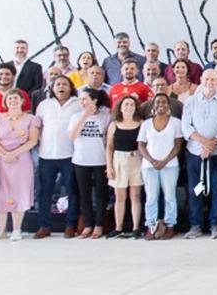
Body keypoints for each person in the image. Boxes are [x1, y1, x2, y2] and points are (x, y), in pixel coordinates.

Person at [181, 70, 217, 239]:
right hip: (195, 153)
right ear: (201, 80)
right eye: (207, 79)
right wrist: (203, 143)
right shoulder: (191, 101)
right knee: (195, 190)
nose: (210, 82)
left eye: (213, 79)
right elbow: (186, 127)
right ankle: (196, 225)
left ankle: (215, 224)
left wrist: (211, 145)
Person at [0, 89, 40, 241]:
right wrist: (4, 154)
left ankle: (16, 229)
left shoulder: (31, 119)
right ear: (5, 102)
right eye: (9, 99)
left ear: (22, 101)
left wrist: (14, 154)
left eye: (15, 98)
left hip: (21, 160)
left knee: (19, 191)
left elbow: (33, 140)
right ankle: (1, 230)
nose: (12, 101)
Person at [33, 75, 82, 238]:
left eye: (65, 84)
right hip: (47, 154)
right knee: (44, 192)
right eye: (58, 84)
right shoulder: (44, 105)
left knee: (72, 191)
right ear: (52, 88)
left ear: (71, 87)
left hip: (70, 154)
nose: (61, 87)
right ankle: (44, 226)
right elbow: (38, 127)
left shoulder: (78, 104)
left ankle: (70, 225)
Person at [138, 94, 183, 240]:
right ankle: (151, 226)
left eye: (164, 102)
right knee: (151, 197)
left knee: (170, 196)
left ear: (168, 104)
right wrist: (151, 160)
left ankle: (170, 225)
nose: (160, 104)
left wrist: (164, 161)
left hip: (170, 165)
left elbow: (178, 145)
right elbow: (141, 145)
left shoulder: (176, 122)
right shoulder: (146, 124)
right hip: (149, 166)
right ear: (153, 105)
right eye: (157, 102)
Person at [69, 89, 111, 238]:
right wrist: (84, 117)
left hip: (100, 160)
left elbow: (109, 140)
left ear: (94, 100)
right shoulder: (75, 117)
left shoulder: (106, 117)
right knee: (84, 194)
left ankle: (99, 225)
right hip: (81, 160)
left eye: (85, 99)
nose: (82, 103)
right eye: (81, 100)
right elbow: (72, 136)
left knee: (101, 193)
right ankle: (87, 224)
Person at [105, 96, 144, 238]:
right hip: (118, 160)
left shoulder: (141, 123)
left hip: (136, 159)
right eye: (126, 104)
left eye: (131, 104)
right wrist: (109, 166)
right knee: (120, 196)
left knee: (135, 195)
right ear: (120, 108)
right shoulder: (114, 125)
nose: (129, 107)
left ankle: (136, 228)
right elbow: (109, 147)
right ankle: (118, 227)